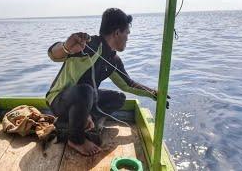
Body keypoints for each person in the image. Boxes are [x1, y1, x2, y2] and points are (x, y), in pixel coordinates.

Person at [45, 8, 170, 156]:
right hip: (59, 100)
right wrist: (66, 46)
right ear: (117, 33)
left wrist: (154, 94)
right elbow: (53, 54)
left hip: (84, 100)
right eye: (127, 33)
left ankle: (81, 120)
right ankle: (76, 139)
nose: (128, 38)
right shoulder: (89, 44)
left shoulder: (113, 60)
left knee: (119, 98)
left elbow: (128, 85)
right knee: (85, 91)